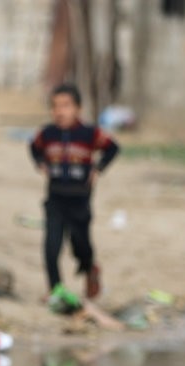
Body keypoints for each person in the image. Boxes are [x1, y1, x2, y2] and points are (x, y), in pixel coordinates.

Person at [30, 83, 119, 302]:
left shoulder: (89, 133)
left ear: (78, 108)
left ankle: (90, 271)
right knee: (51, 247)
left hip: (80, 200)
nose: (60, 112)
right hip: (55, 198)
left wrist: (98, 169)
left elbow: (113, 148)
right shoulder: (47, 134)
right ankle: (55, 290)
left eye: (66, 106)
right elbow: (34, 147)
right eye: (55, 106)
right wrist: (41, 163)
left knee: (81, 246)